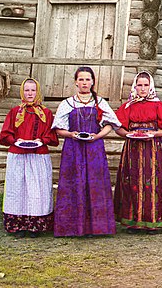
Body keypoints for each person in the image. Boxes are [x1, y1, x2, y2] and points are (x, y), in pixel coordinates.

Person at [51, 66, 121, 237]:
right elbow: (59, 129)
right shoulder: (67, 103)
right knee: (74, 183)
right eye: (81, 79)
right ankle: (72, 227)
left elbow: (110, 124)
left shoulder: (100, 103)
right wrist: (71, 134)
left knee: (94, 184)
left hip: (94, 149)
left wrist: (97, 137)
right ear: (76, 82)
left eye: (87, 79)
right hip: (73, 149)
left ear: (92, 82)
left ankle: (96, 228)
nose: (84, 82)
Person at [114, 71, 162, 234]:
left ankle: (153, 221)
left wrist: (155, 134)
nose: (142, 89)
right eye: (140, 85)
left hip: (152, 149)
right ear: (135, 86)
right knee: (133, 182)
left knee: (152, 183)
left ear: (151, 86)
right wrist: (128, 134)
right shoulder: (128, 106)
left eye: (146, 85)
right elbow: (118, 128)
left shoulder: (158, 105)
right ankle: (133, 221)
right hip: (133, 149)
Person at [0, 78, 59, 238]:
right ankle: (18, 225)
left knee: (36, 189)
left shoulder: (45, 113)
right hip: (18, 156)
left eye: (33, 90)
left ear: (37, 92)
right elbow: (6, 133)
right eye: (27, 90)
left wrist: (41, 140)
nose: (30, 93)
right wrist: (16, 141)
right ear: (22, 92)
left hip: (38, 157)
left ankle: (35, 225)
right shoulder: (14, 112)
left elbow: (51, 135)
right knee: (17, 189)